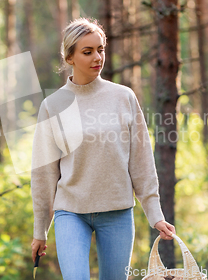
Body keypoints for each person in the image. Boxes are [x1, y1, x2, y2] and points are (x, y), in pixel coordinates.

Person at [30, 17, 176, 280]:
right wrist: (40, 230)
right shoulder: (53, 106)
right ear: (70, 57)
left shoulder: (123, 97)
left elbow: (141, 160)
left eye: (101, 49)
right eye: (87, 52)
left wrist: (155, 214)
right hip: (71, 212)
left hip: (117, 211)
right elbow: (43, 174)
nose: (97, 57)